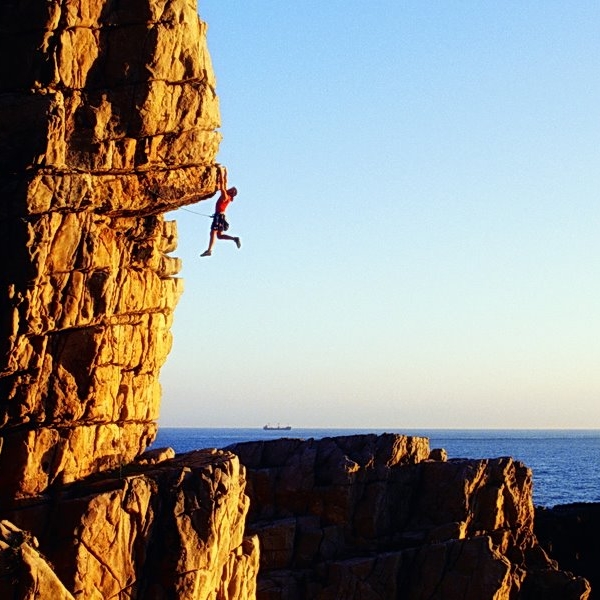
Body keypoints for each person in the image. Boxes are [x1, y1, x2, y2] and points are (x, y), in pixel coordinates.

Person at [200, 167, 241, 257]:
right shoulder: (227, 196)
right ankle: (234, 239)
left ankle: (209, 250)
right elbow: (225, 182)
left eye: (232, 189)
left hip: (219, 216)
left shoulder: (225, 197)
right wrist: (225, 172)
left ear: (232, 192)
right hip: (220, 216)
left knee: (213, 232)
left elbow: (222, 185)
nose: (230, 188)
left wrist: (221, 171)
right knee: (219, 235)